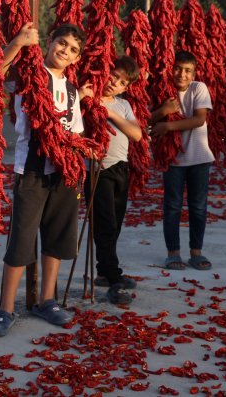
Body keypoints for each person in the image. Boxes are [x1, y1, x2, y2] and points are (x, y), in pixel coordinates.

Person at [0, 23, 91, 338]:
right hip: (31, 171)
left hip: (64, 172)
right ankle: (5, 308)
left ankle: (47, 300)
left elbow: (75, 132)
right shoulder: (30, 74)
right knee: (21, 239)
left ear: (76, 58)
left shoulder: (71, 89)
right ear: (49, 42)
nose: (65, 51)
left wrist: (81, 149)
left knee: (57, 236)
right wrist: (18, 41)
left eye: (73, 49)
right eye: (61, 43)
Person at [149, 50, 215, 271]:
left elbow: (199, 119)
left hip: (199, 158)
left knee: (198, 207)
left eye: (187, 70)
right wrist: (163, 111)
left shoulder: (199, 88)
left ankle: (196, 252)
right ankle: (173, 253)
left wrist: (167, 125)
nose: (182, 74)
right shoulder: (162, 91)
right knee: (172, 206)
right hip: (174, 159)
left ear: (194, 72)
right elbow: (146, 118)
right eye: (177, 69)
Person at [86, 56, 143, 304]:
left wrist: (109, 113)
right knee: (105, 225)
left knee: (116, 223)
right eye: (113, 76)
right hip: (98, 171)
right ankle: (114, 279)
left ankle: (103, 273)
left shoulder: (123, 106)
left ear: (125, 88)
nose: (114, 83)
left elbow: (137, 134)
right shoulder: (89, 99)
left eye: (121, 82)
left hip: (121, 168)